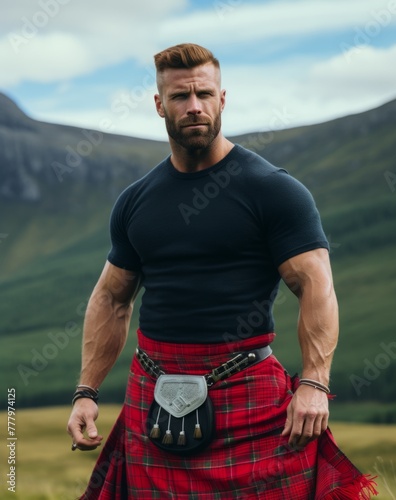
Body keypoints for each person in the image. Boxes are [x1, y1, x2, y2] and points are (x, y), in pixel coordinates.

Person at [67, 43, 377, 499]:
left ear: (222, 99)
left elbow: (315, 284)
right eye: (179, 97)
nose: (194, 106)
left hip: (248, 395)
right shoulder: (136, 200)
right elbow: (112, 298)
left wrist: (313, 383)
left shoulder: (273, 191)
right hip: (152, 394)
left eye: (204, 94)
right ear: (159, 105)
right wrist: (86, 391)